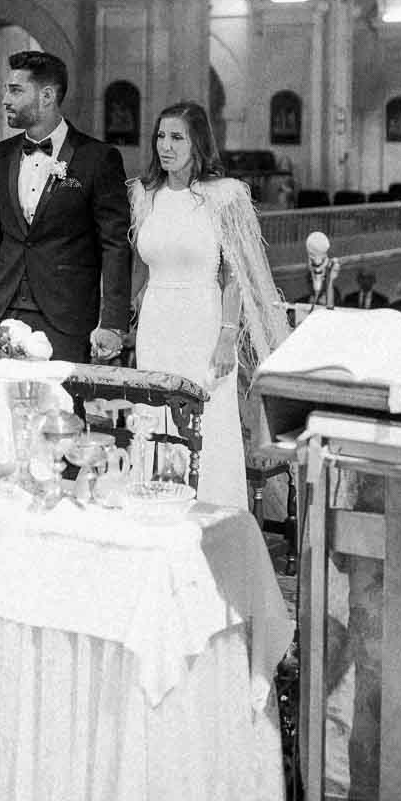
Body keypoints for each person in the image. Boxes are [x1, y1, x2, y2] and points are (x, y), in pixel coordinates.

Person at [129, 101, 288, 509]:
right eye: (160, 136)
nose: (165, 145)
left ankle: (214, 517)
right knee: (157, 419)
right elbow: (149, 268)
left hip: (203, 322)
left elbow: (234, 274)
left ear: (198, 141)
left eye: (176, 137)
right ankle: (159, 510)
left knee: (207, 423)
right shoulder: (146, 194)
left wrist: (226, 336)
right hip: (157, 324)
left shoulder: (224, 195)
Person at [0, 51, 131, 364]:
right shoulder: (1, 155)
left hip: (68, 320)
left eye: (15, 90)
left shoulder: (97, 158)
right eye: (6, 89)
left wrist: (111, 322)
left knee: (61, 411)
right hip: (5, 315)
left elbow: (115, 246)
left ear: (47, 95)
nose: (5, 99)